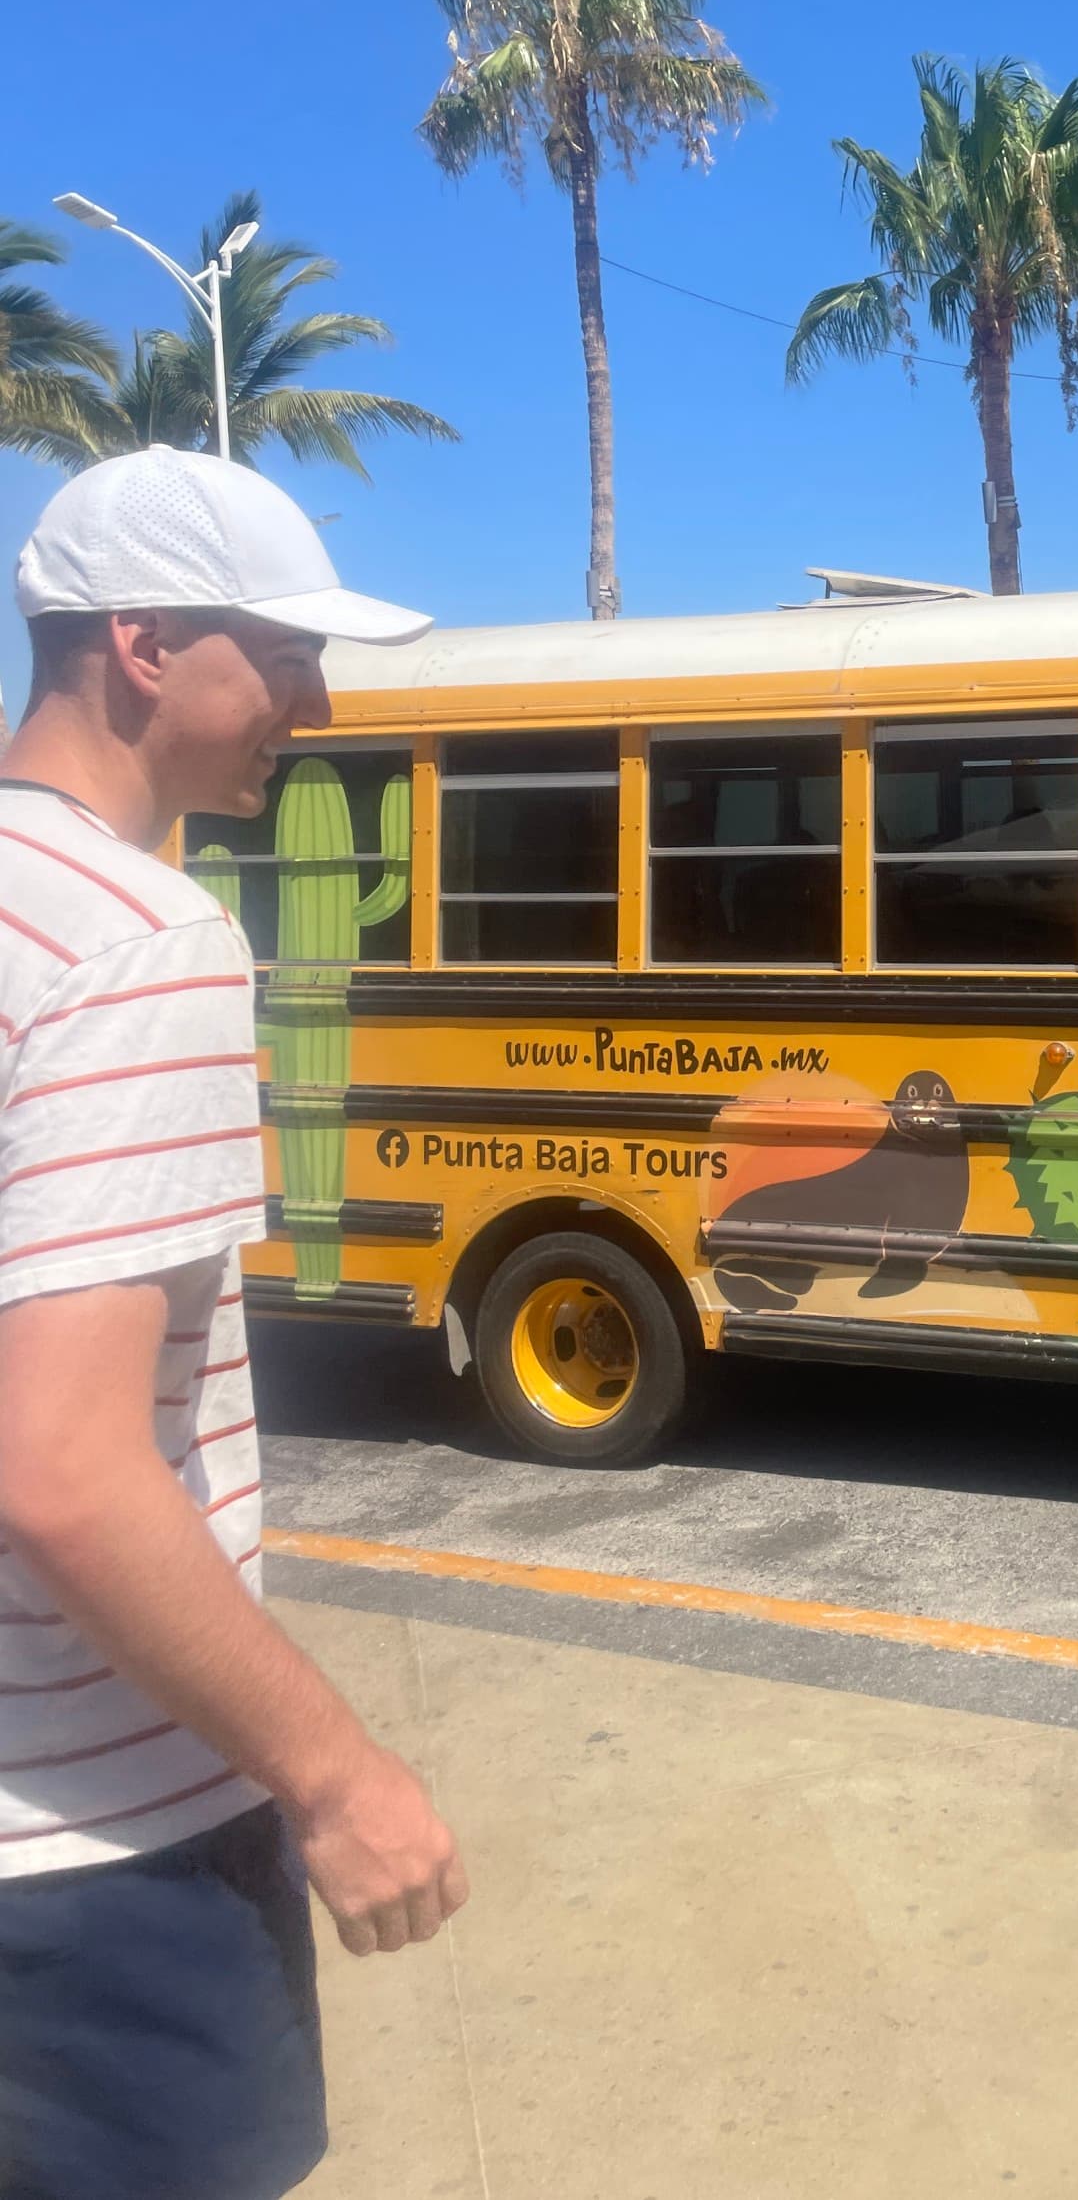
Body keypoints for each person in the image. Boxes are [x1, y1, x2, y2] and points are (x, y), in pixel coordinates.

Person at [0, 449, 467, 2199]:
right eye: (280, 654)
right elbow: (63, 1467)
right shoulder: (143, 943)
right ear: (141, 645)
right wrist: (335, 1777)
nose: (316, 704)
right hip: (93, 1847)